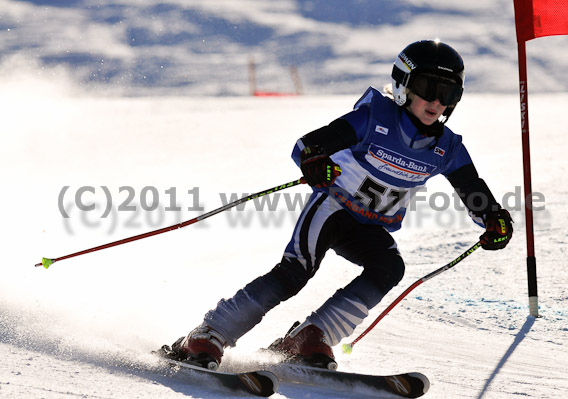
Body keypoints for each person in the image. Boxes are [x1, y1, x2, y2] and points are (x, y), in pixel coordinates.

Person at [168, 40, 513, 370]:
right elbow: (307, 146)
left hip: (368, 226)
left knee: (389, 268)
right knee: (295, 272)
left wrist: (494, 219)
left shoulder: (447, 148)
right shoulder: (374, 118)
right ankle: (210, 333)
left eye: (448, 93)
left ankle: (310, 336)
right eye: (427, 87)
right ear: (403, 85)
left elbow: (473, 192)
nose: (436, 101)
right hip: (331, 208)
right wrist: (316, 163)